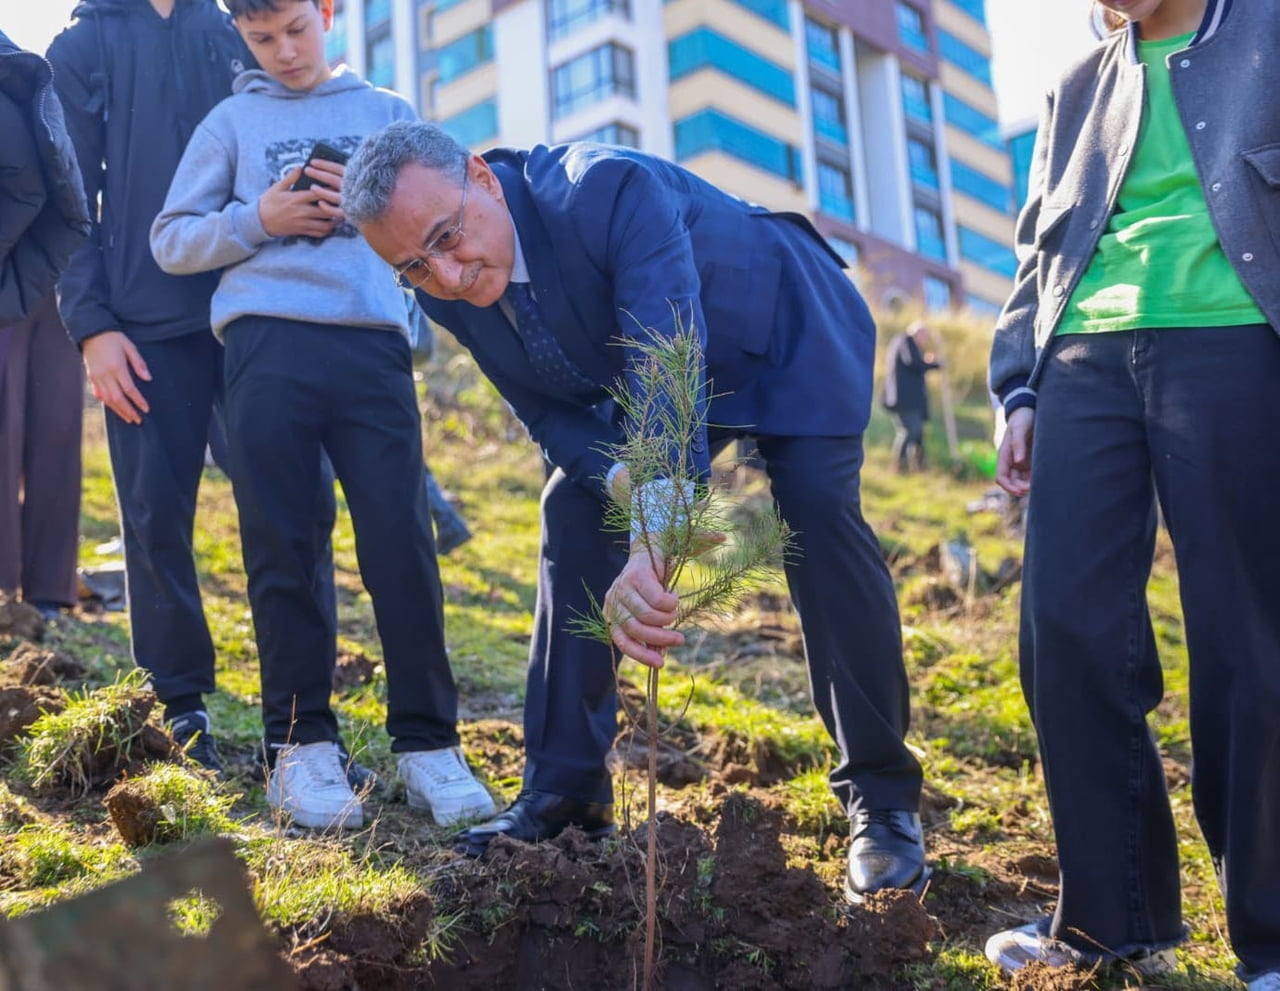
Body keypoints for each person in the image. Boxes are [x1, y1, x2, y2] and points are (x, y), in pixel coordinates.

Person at [344, 121, 929, 901]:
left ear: (482, 176)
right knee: (571, 510)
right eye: (414, 266)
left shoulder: (607, 191)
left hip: (786, 328)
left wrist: (652, 550)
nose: (447, 273)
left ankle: (882, 801)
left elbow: (665, 360)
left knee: (817, 518)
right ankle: (566, 793)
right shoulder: (445, 285)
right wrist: (619, 483)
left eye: (448, 238)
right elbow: (548, 414)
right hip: (666, 381)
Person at [985, 0, 1280, 986]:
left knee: (1244, 635)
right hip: (1082, 360)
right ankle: (1107, 918)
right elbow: (1034, 256)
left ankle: (1271, 934)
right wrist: (1016, 388)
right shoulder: (1075, 86)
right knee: (1062, 626)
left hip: (1234, 339)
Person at [150, 0, 494, 831]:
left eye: (298, 29)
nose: (285, 51)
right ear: (238, 33)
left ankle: (427, 744)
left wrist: (366, 213)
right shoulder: (231, 120)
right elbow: (171, 238)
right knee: (283, 542)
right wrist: (258, 219)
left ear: (330, 11)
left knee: (401, 541)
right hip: (265, 349)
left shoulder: (386, 114)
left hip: (372, 347)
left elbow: (436, 226)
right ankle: (299, 747)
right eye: (262, 38)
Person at [46, 0, 340, 775]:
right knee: (154, 514)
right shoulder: (83, 44)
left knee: (298, 506)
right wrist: (92, 326)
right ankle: (179, 709)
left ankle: (306, 725)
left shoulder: (240, 25)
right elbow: (68, 196)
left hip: (258, 308)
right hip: (140, 326)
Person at [0, 29, 91, 620]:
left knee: (53, 425)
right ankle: (17, 590)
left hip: (46, 268)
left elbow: (27, 179)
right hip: (41, 263)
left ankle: (45, 594)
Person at [880, 320, 941, 473]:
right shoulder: (904, 340)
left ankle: (919, 467)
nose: (924, 340)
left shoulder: (909, 346)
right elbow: (913, 362)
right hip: (905, 399)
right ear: (916, 333)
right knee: (909, 431)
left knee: (918, 433)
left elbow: (915, 363)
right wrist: (934, 365)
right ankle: (900, 467)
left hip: (912, 400)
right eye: (924, 336)